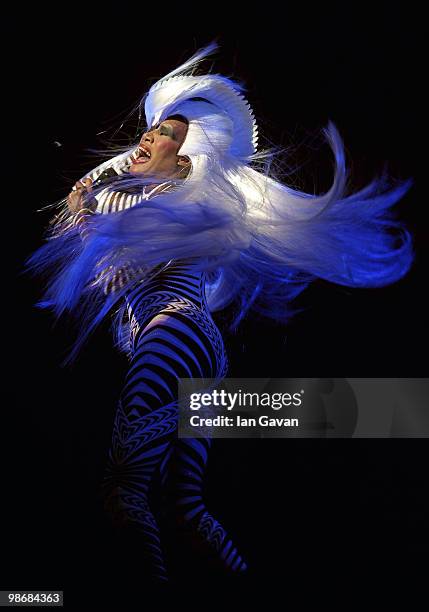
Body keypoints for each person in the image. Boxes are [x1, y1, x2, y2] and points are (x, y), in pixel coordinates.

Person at [26, 42, 414, 581]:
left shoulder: (170, 198)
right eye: (155, 126)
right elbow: (81, 225)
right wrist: (92, 195)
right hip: (198, 344)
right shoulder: (157, 198)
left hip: (171, 328)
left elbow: (98, 218)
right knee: (188, 509)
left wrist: (87, 198)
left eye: (168, 133)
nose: (151, 134)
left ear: (185, 161)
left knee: (124, 491)